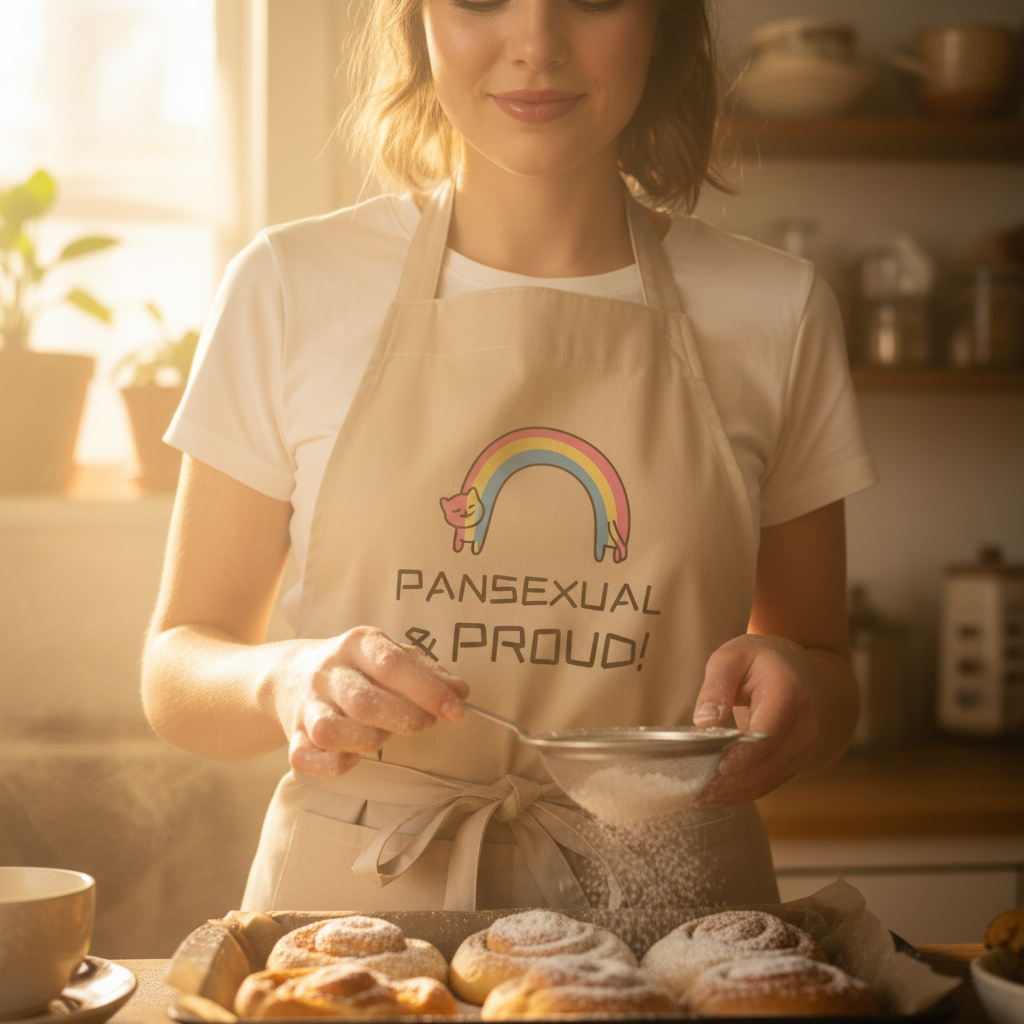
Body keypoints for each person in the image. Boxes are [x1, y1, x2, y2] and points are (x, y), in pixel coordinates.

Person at [142, 0, 877, 913]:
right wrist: (281, 676)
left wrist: (802, 689)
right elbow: (176, 667)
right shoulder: (289, 286)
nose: (535, 45)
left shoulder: (778, 310)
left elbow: (828, 673)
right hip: (357, 916)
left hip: (674, 919)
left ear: (662, 23)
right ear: (414, 22)